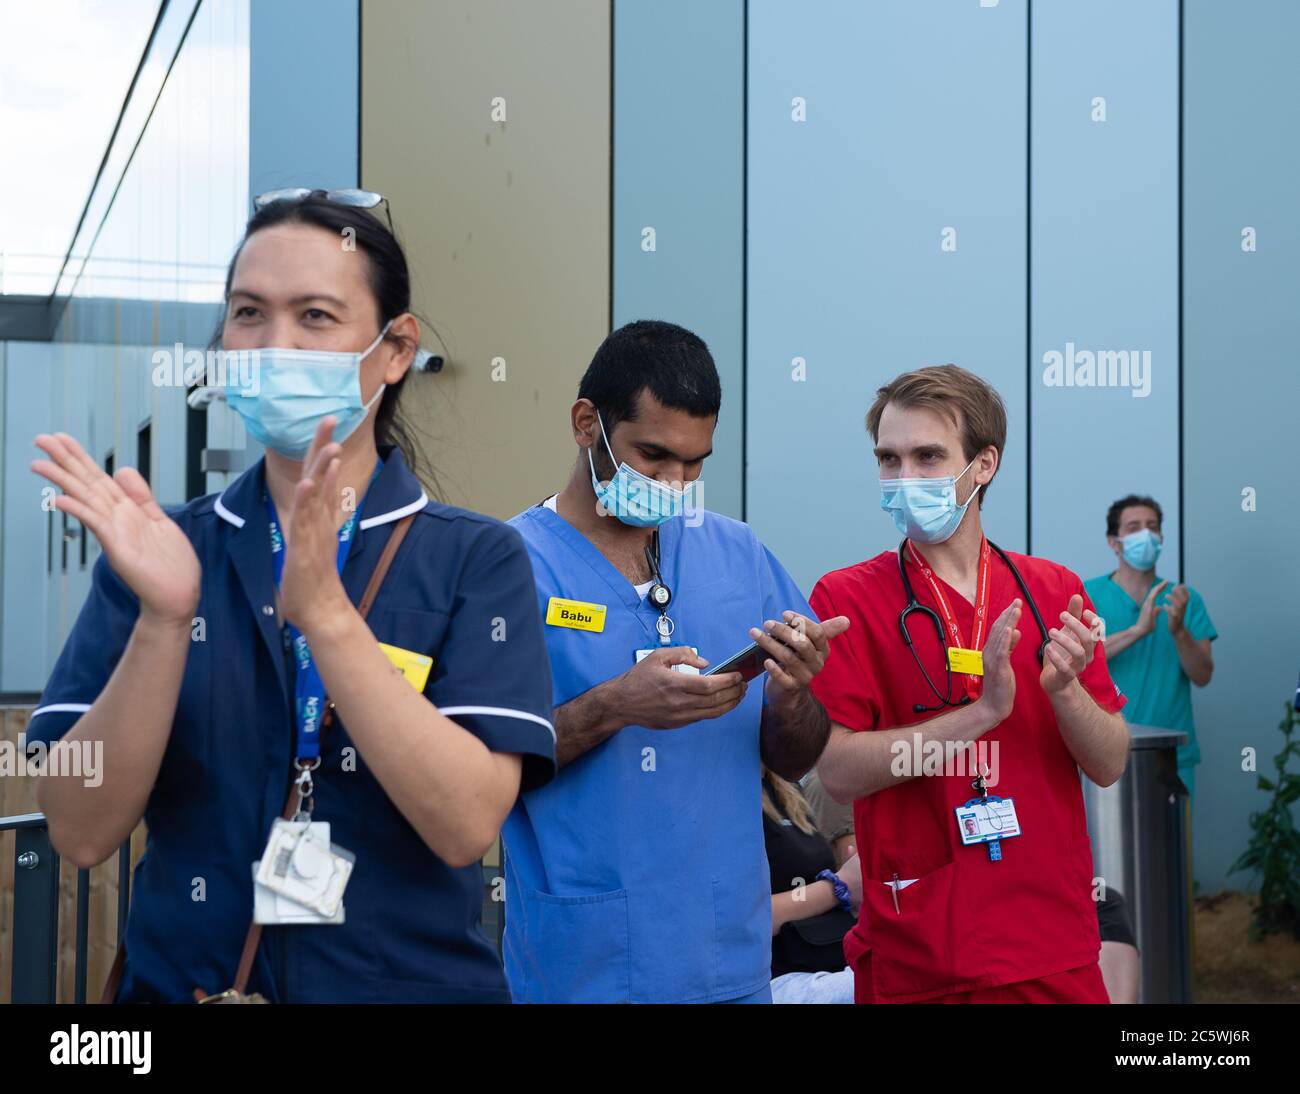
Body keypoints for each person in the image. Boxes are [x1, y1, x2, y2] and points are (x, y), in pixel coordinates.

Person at [26, 190, 556, 1003]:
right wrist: (165, 622)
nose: (274, 345)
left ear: (394, 349)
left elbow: (465, 823)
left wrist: (330, 621)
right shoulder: (163, 553)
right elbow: (79, 829)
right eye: (248, 314)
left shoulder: (474, 559)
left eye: (315, 316)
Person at [501, 320, 849, 1003]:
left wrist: (793, 698)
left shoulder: (737, 555)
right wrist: (615, 706)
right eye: (653, 455)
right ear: (585, 424)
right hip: (585, 966)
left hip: (729, 961)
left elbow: (796, 758)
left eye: (695, 463)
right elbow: (481, 770)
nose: (674, 482)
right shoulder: (509, 567)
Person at [810, 364, 1129, 1004]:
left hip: (1050, 940)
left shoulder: (1051, 591)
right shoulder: (847, 598)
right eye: (889, 459)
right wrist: (978, 715)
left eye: (928, 456)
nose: (904, 479)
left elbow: (1109, 762)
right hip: (923, 946)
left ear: (983, 465)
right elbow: (839, 772)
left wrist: (1066, 693)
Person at [1083, 496, 1215, 798]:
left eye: (1152, 527)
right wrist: (1138, 631)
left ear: (1162, 538)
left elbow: (1203, 675)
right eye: (1134, 527)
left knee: (1172, 845)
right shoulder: (1089, 594)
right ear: (1114, 542)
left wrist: (1179, 631)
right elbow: (1078, 661)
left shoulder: (1184, 599)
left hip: (1171, 757)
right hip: (1102, 750)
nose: (1145, 534)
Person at [764, 768, 858, 1004]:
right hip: (772, 976)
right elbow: (741, 918)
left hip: (828, 953)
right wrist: (839, 887)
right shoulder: (723, 795)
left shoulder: (787, 786)